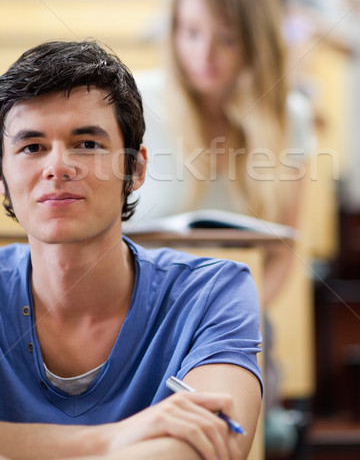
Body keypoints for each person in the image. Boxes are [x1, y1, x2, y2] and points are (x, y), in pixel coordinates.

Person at [0, 40, 262, 460]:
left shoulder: (213, 292)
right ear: (2, 176)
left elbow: (214, 443)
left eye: (87, 144)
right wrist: (111, 438)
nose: (57, 167)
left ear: (135, 169)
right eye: (32, 147)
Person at [125, 0, 314, 305]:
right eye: (191, 32)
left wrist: (231, 324)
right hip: (142, 312)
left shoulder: (290, 115)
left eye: (226, 37)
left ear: (254, 42)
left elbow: (283, 253)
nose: (204, 54)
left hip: (236, 316)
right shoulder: (135, 102)